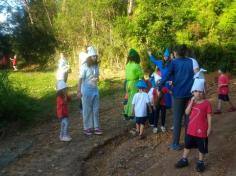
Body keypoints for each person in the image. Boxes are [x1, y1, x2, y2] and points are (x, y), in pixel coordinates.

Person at [160, 44, 195, 150]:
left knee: (177, 119)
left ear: (176, 53)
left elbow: (167, 75)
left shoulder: (174, 62)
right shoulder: (190, 61)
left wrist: (160, 84)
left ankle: (175, 144)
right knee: (188, 119)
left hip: (178, 95)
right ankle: (189, 143)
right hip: (189, 94)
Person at [175, 79, 212, 173]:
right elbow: (187, 112)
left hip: (201, 130)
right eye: (195, 91)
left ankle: (200, 162)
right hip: (191, 130)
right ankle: (184, 159)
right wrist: (191, 102)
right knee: (187, 145)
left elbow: (209, 116)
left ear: (203, 92)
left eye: (200, 91)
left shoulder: (206, 103)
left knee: (201, 147)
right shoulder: (191, 103)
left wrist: (209, 128)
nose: (198, 94)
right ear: (192, 92)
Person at [77, 46, 103, 136]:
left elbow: (98, 77)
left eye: (95, 56)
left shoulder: (96, 66)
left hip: (95, 90)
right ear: (89, 57)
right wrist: (78, 91)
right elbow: (80, 79)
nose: (95, 58)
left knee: (95, 110)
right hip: (86, 91)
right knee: (87, 110)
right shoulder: (84, 66)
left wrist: (96, 79)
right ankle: (87, 128)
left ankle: (96, 127)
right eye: (93, 56)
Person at [124, 48, 144, 120]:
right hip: (134, 83)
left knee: (129, 98)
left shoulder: (127, 64)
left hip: (127, 83)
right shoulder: (136, 65)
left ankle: (126, 112)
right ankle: (131, 114)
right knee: (133, 98)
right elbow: (141, 75)